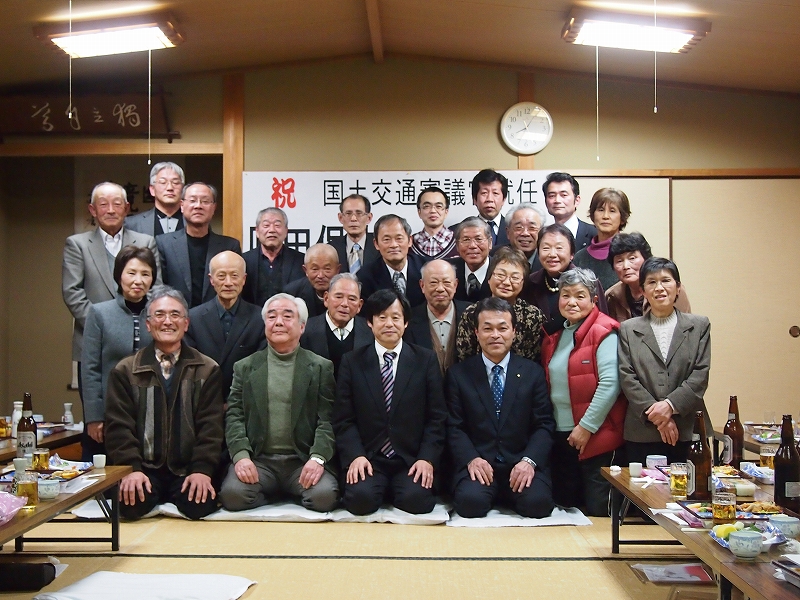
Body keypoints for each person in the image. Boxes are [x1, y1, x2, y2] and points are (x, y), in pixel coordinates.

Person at [105, 286, 224, 520]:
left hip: (186, 470)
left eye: (175, 315)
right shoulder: (126, 370)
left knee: (199, 505)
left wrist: (202, 470)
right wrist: (131, 469)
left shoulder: (207, 369)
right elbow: (118, 427)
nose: (167, 321)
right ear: (148, 325)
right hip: (144, 469)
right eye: (159, 315)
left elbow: (211, 427)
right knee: (129, 506)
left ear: (186, 324)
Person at [62, 182, 160, 455]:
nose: (110, 209)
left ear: (127, 208)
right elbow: (72, 292)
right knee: (99, 434)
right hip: (94, 343)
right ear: (92, 210)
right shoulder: (77, 244)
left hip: (145, 342)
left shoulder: (145, 242)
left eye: (117, 203)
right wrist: (104, 324)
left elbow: (157, 289)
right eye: (103, 204)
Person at [219, 294, 339, 513]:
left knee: (323, 497)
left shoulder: (321, 367)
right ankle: (272, 494)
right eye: (272, 316)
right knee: (233, 496)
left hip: (302, 460)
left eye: (287, 316)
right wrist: (241, 456)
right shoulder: (245, 367)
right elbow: (235, 415)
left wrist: (318, 458)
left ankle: (286, 490)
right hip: (260, 460)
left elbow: (327, 420)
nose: (279, 322)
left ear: (302, 326)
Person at [333, 289, 448, 516]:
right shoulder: (352, 362)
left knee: (417, 502)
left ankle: (395, 488)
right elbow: (343, 418)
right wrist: (356, 455)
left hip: (410, 458)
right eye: (382, 317)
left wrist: (426, 458)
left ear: (405, 323)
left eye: (395, 317)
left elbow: (437, 417)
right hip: (370, 456)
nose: (389, 324)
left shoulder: (425, 360)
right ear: (370, 322)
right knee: (360, 501)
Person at [446, 297, 555, 518]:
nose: (495, 335)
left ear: (514, 332)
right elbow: (453, 426)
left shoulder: (532, 373)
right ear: (476, 333)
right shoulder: (459, 374)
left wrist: (528, 461)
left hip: (520, 460)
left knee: (538, 505)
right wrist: (472, 459)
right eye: (487, 328)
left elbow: (544, 424)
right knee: (469, 504)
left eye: (502, 328)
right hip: (480, 462)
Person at [540, 268, 626, 517]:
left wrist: (586, 427)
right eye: (565, 295)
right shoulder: (555, 334)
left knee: (599, 509)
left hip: (596, 433)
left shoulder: (604, 330)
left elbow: (611, 384)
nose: (572, 302)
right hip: (562, 434)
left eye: (580, 295)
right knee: (566, 506)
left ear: (594, 299)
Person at [618, 257, 711, 465]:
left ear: (678, 287)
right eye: (651, 282)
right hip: (643, 431)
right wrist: (658, 416)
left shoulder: (699, 325)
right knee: (641, 486)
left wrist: (670, 406)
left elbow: (700, 374)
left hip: (688, 428)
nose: (659, 288)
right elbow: (627, 377)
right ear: (643, 290)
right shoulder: (628, 329)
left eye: (666, 281)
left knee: (691, 485)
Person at [80, 246, 157, 461]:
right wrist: (94, 417)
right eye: (131, 273)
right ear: (119, 275)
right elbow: (90, 369)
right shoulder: (99, 313)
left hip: (150, 409)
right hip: (110, 410)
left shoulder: (158, 313)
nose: (138, 280)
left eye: (145, 274)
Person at [185, 251, 265, 400]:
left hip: (244, 401)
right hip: (203, 400)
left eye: (234, 276)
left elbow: (259, 368)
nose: (228, 282)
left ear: (244, 279)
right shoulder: (193, 318)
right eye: (221, 276)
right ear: (211, 279)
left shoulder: (259, 319)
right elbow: (190, 368)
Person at [157, 182, 241, 308]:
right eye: (192, 200)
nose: (198, 206)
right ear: (182, 206)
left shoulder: (229, 246)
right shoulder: (164, 243)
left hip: (216, 316)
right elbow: (159, 287)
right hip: (176, 314)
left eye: (205, 201)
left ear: (214, 208)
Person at [456, 247, 544, 363]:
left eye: (515, 278)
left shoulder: (533, 316)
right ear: (489, 278)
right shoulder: (471, 313)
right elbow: (465, 358)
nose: (506, 282)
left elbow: (534, 361)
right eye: (501, 275)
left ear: (523, 283)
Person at [522, 224, 608, 326]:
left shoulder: (588, 282)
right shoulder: (530, 282)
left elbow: (602, 323)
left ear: (572, 254)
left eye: (559, 248)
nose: (552, 254)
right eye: (546, 248)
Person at [299, 273, 374, 379]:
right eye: (339, 297)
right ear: (326, 298)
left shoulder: (371, 332)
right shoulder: (305, 331)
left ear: (359, 305)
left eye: (352, 299)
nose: (344, 304)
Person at [605, 232, 691, 323]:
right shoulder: (612, 296)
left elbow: (685, 326)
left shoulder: (671, 289)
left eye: (632, 258)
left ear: (646, 259)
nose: (626, 266)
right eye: (619, 261)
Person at [405, 260, 470, 376]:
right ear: (422, 285)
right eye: (433, 283)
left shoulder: (471, 314)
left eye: (446, 282)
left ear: (455, 285)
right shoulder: (409, 319)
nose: (440, 288)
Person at [357, 214, 426, 308]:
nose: (393, 245)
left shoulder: (426, 269)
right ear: (376, 244)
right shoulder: (365, 276)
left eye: (399, 238)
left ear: (410, 241)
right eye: (386, 239)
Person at [241, 207, 305, 307]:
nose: (272, 230)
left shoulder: (300, 260)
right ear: (257, 231)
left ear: (286, 231)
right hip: (252, 316)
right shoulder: (244, 261)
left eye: (277, 225)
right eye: (266, 225)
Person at [573, 188, 631, 289]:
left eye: (612, 211)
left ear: (622, 218)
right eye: (601, 210)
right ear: (593, 215)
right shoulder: (580, 258)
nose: (605, 216)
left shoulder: (631, 254)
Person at [125, 162, 185, 236]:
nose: (170, 188)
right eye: (163, 182)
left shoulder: (195, 221)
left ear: (183, 189)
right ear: (152, 189)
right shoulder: (132, 224)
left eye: (175, 182)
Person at [542, 172, 596, 251]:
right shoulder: (543, 236)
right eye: (552, 196)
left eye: (564, 195)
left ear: (577, 200)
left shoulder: (595, 234)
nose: (557, 200)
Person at [284, 243, 341, 318]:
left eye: (327, 269)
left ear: (337, 270)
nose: (320, 275)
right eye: (315, 269)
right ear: (305, 270)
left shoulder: (348, 293)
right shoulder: (292, 294)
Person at [329, 194, 377, 275]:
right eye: (348, 213)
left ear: (369, 218)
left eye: (359, 213)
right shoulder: (331, 249)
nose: (353, 219)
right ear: (340, 218)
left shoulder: (379, 247)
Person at [451, 217, 493, 303]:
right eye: (466, 240)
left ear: (490, 243)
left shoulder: (501, 270)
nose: (472, 245)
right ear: (457, 245)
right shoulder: (449, 270)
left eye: (478, 239)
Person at [411, 186, 458, 260]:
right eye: (427, 206)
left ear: (446, 212)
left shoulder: (459, 241)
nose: (433, 211)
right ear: (419, 212)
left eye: (438, 206)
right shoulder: (410, 243)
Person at [503, 202, 546, 271]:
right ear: (508, 233)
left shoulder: (548, 261)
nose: (525, 233)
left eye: (532, 228)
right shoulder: (495, 257)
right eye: (519, 227)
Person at [472, 168, 510, 246]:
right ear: (474, 199)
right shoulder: (460, 231)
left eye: (495, 193)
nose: (489, 199)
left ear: (503, 199)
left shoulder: (514, 231)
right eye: (484, 193)